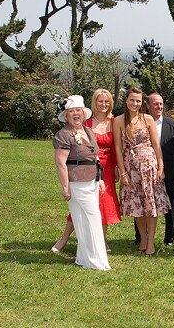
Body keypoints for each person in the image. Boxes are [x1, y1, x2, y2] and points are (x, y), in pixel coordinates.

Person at [52, 89, 121, 254]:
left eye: (106, 101)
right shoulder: (86, 122)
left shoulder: (114, 121)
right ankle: (64, 238)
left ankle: (101, 240)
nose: (103, 104)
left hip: (107, 168)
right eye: (100, 101)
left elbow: (116, 146)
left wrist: (117, 167)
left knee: (103, 205)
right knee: (82, 203)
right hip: (84, 166)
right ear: (94, 103)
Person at [113, 88, 171, 256]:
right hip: (130, 168)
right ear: (126, 100)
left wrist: (161, 166)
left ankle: (151, 240)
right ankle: (143, 238)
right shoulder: (118, 121)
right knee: (137, 204)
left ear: (142, 103)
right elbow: (117, 148)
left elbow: (156, 144)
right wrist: (122, 172)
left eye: (138, 101)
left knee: (150, 204)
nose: (135, 103)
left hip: (149, 166)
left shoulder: (147, 119)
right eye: (132, 100)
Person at [134, 93, 174, 247]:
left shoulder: (172, 124)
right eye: (155, 104)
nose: (159, 107)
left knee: (171, 206)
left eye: (161, 104)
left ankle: (169, 239)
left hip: (169, 171)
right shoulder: (138, 123)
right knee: (142, 203)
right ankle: (141, 237)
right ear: (147, 105)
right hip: (144, 171)